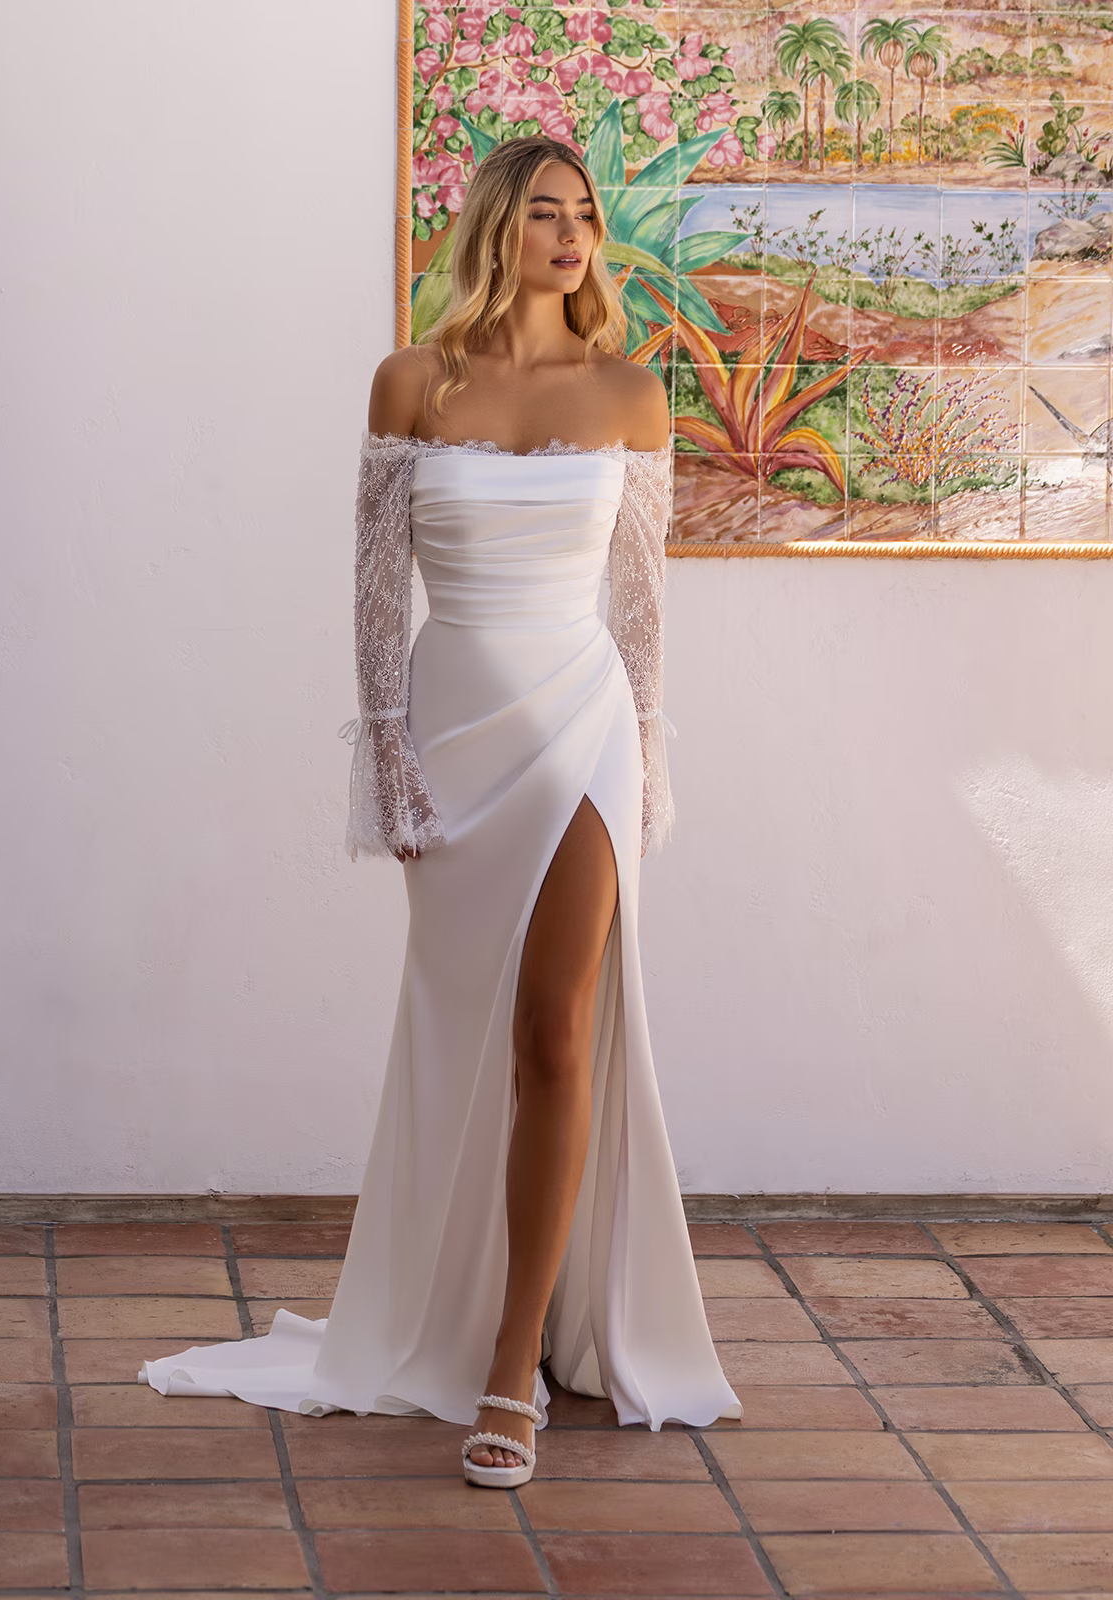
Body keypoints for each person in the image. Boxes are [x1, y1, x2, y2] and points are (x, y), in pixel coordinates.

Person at [139, 135, 742, 1489]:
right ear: (495, 228)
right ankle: (457, 1311)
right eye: (545, 213)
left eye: (586, 214)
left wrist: (646, 754)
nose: (573, 235)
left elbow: (641, 604)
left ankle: (512, 1366)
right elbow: (372, 590)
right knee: (461, 1029)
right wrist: (390, 757)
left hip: (583, 725)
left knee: (556, 1030)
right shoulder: (410, 381)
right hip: (455, 733)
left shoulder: (631, 392)